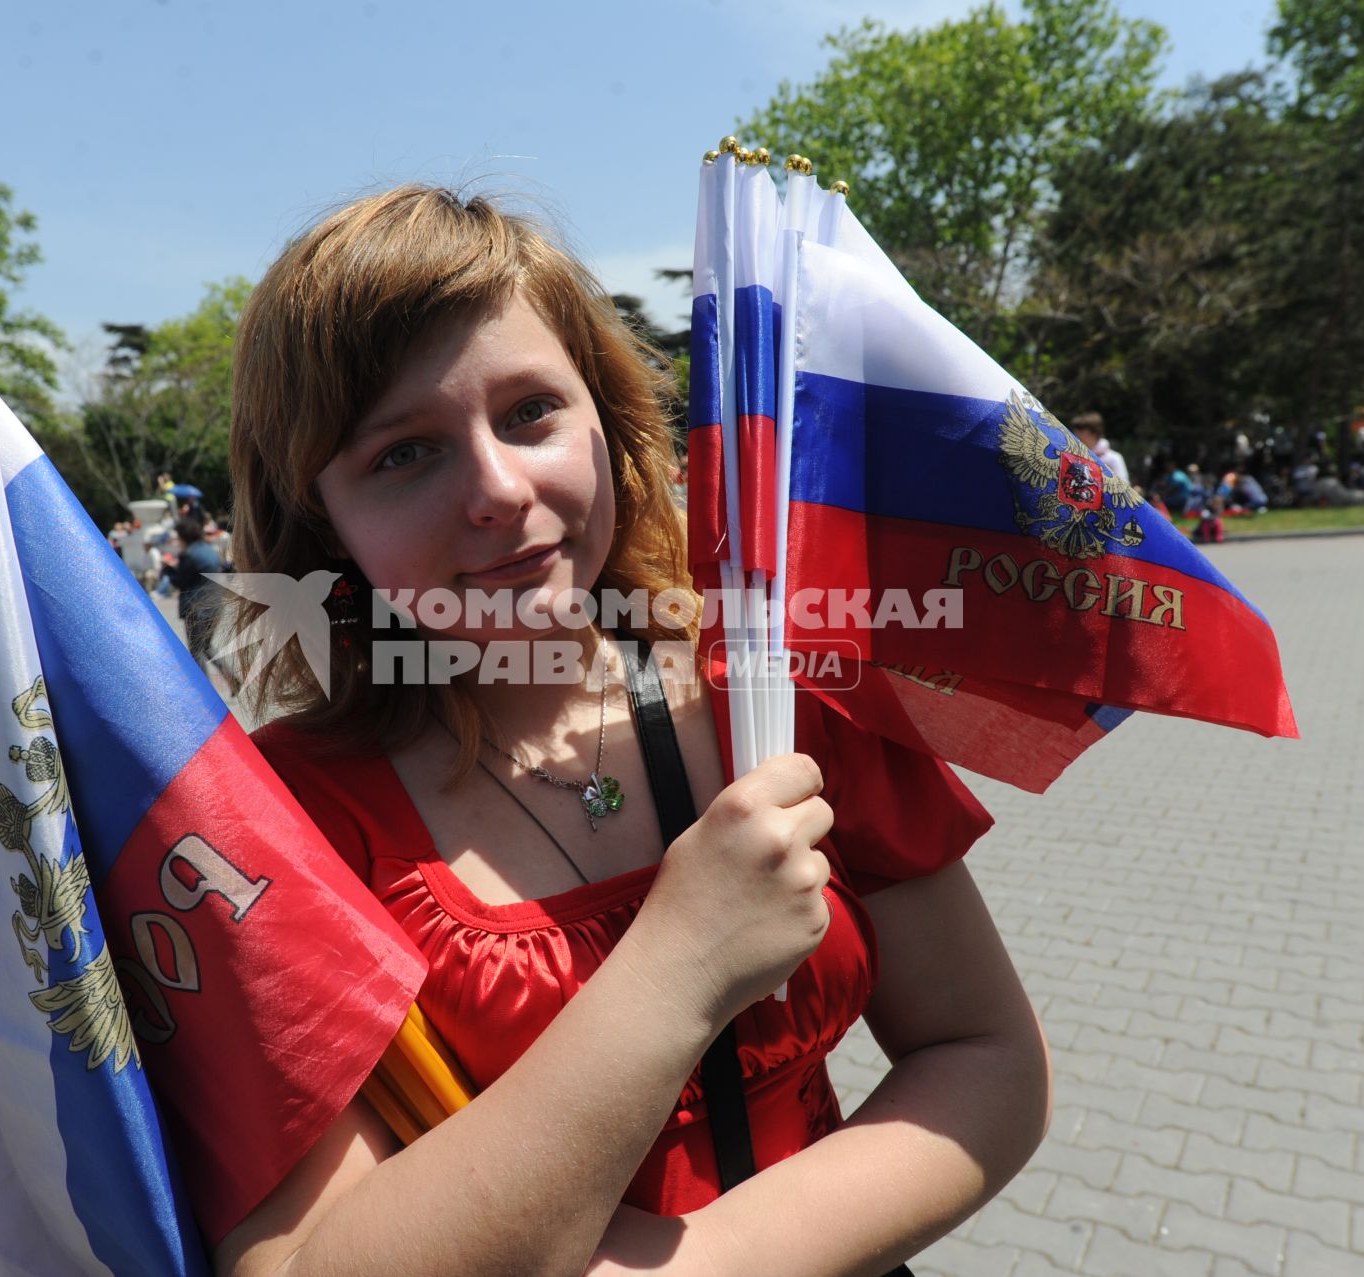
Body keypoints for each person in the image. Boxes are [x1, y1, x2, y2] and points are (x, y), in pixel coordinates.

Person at [210, 187, 1050, 1276]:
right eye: (403, 454)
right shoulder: (271, 825)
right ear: (321, 520)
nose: (500, 489)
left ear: (609, 422)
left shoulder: (780, 690)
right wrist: (678, 960)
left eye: (528, 413)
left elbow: (984, 1054)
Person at [162, 512, 226, 664]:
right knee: (206, 647)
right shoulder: (210, 550)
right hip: (215, 605)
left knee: (196, 653)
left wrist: (167, 569)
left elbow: (179, 581)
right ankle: (232, 679)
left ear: (184, 536)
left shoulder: (189, 555)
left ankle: (203, 687)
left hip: (196, 609)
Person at [1069, 411, 1128, 484]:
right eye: (1076, 432)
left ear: (1094, 432)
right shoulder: (1074, 456)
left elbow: (1124, 485)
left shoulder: (1114, 459)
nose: (1077, 436)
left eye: (1081, 432)